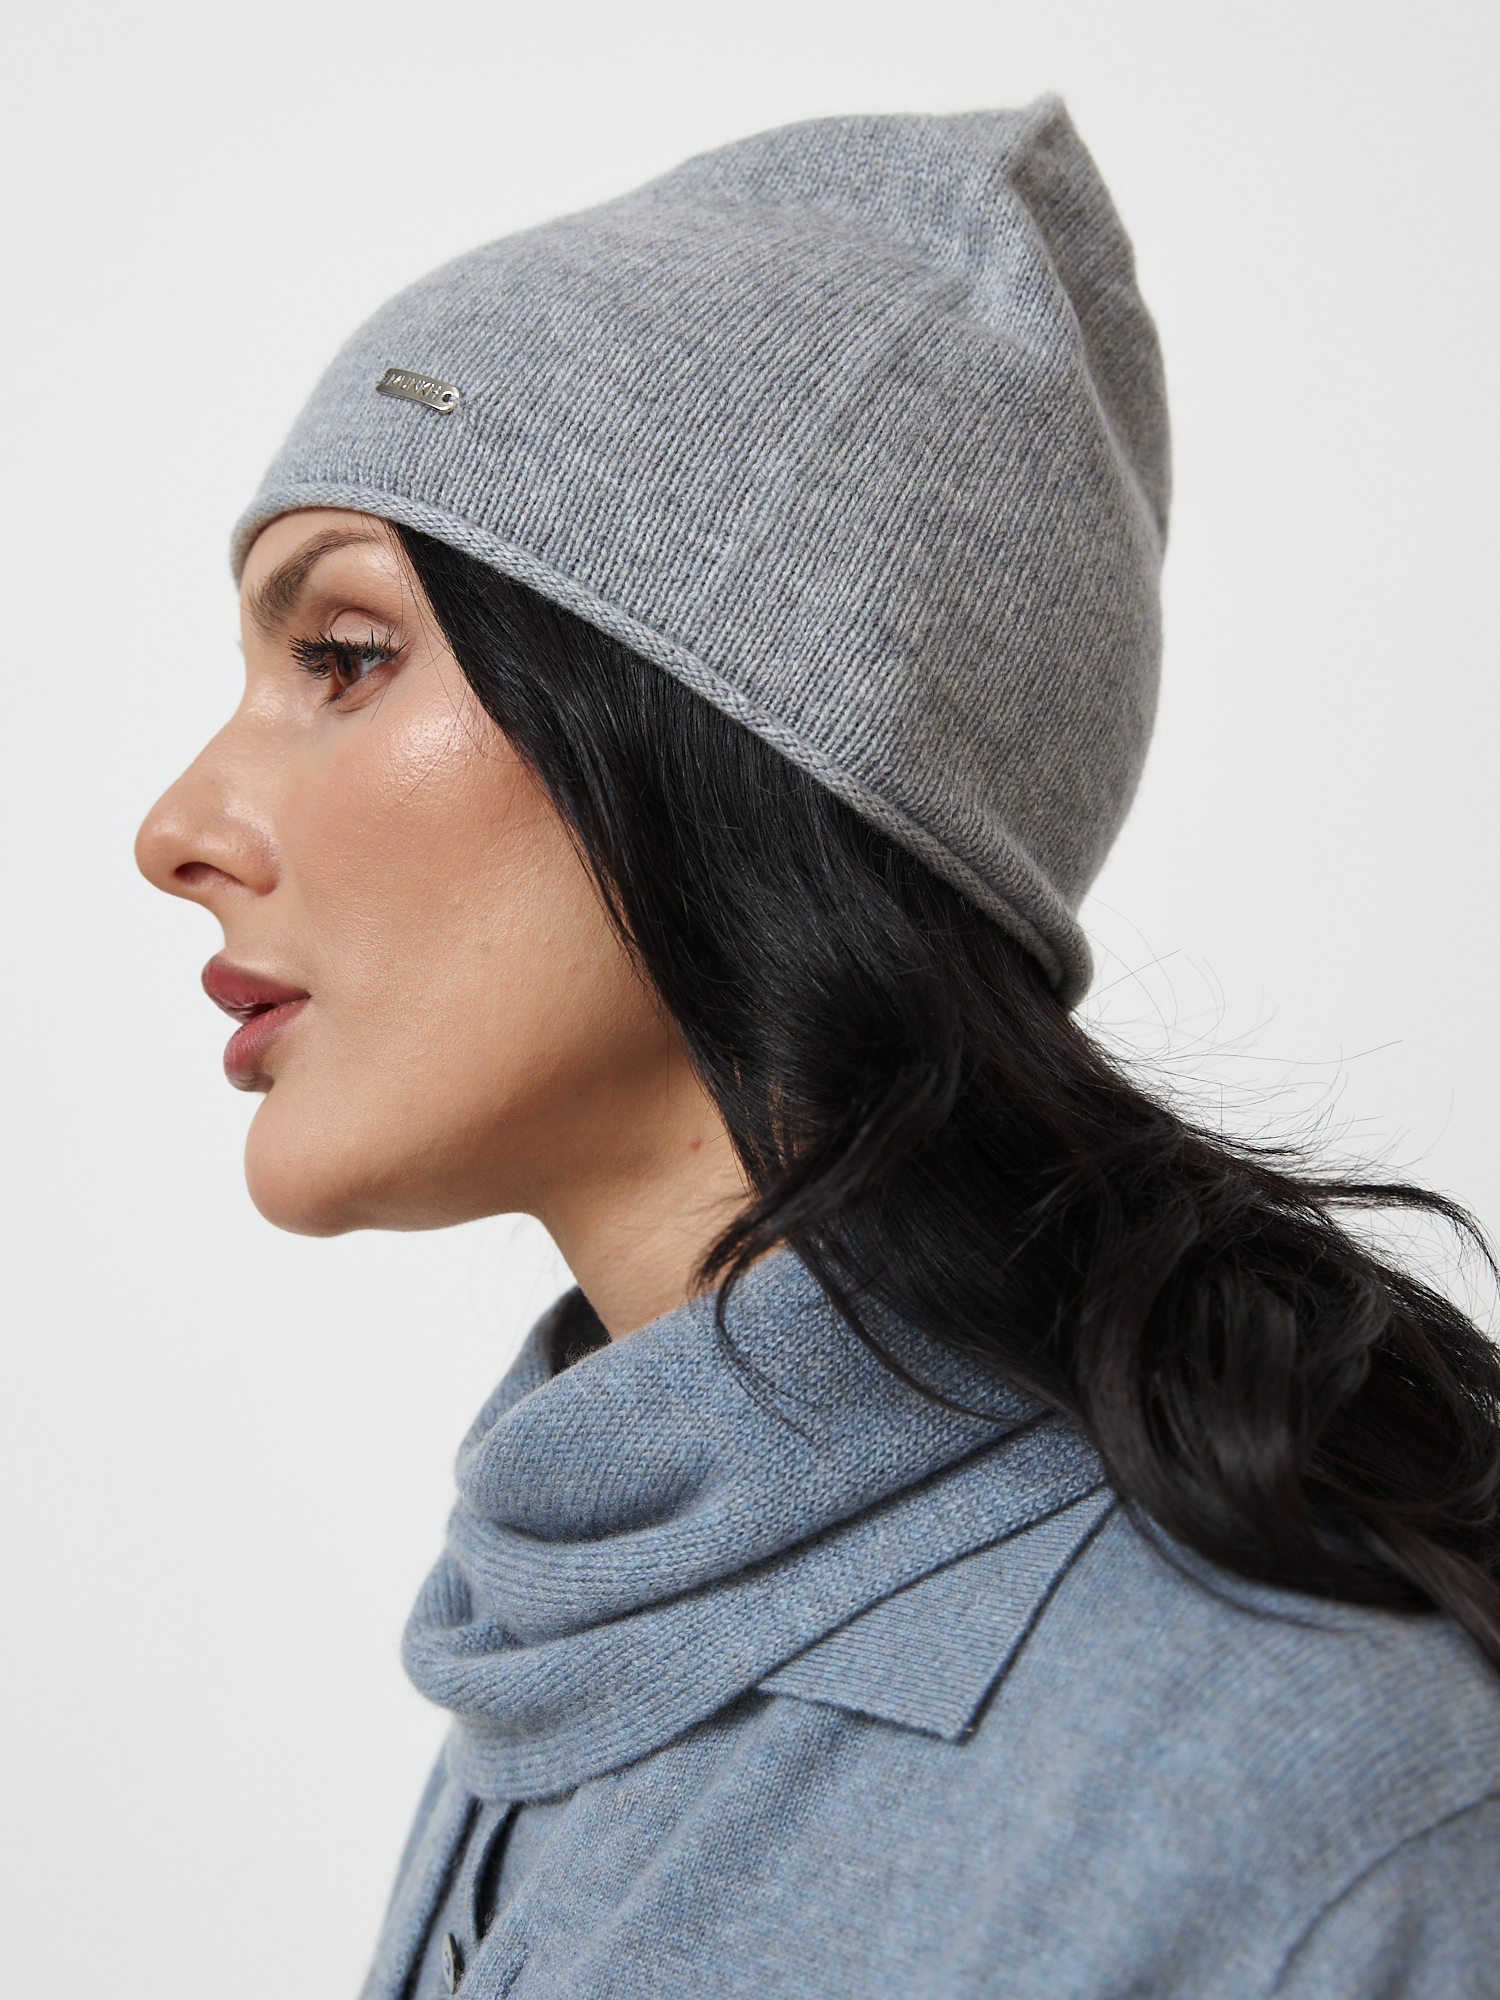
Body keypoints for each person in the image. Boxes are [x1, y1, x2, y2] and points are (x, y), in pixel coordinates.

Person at [134, 101, 1500, 1999]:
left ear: (723, 732)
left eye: (346, 657)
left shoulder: (1303, 1813)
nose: (175, 830)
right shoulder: (580, 1649)